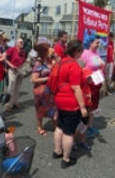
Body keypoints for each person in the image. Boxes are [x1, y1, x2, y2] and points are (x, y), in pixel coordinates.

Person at [49, 41, 87, 169]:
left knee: (60, 126)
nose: (82, 54)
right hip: (71, 102)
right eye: (81, 52)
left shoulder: (60, 62)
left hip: (59, 99)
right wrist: (82, 107)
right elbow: (76, 87)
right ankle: (66, 159)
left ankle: (57, 151)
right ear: (76, 52)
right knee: (68, 132)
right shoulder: (74, 66)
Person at [31, 42, 55, 136]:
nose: (51, 50)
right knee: (40, 109)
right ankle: (39, 127)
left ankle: (55, 125)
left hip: (50, 89)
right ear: (43, 52)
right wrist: (47, 78)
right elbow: (34, 79)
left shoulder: (49, 60)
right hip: (41, 90)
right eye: (49, 49)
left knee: (53, 107)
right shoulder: (38, 63)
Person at [5, 38, 28, 111]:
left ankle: (15, 102)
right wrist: (10, 65)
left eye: (22, 42)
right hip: (12, 70)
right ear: (16, 43)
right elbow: (4, 57)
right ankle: (8, 104)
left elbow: (24, 60)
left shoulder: (23, 52)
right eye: (20, 42)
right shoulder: (12, 49)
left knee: (18, 87)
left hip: (20, 71)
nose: (22, 43)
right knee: (11, 87)